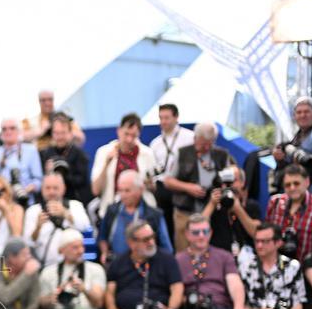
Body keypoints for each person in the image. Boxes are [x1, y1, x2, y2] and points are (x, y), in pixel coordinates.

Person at [164, 122, 236, 251]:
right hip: (185, 211)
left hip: (213, 213)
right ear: (195, 138)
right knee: (184, 251)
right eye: (203, 144)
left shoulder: (221, 155)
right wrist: (188, 187)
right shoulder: (183, 153)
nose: (206, 147)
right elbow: (168, 181)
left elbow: (229, 179)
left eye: (210, 143)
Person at [97, 170, 172, 265]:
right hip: (115, 264)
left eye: (127, 190)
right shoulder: (112, 210)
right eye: (120, 190)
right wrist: (105, 252)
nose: (123, 195)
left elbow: (166, 248)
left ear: (140, 190)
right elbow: (102, 237)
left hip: (146, 264)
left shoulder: (154, 215)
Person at [91, 113, 156, 216]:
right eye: (126, 134)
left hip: (142, 214)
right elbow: (96, 190)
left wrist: (149, 184)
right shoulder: (103, 152)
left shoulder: (147, 154)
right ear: (119, 130)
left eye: (133, 136)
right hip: (111, 213)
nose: (129, 139)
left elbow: (154, 188)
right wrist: (107, 163)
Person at [272, 96, 312, 199]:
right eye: (299, 112)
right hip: (292, 187)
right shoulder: (297, 132)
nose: (303, 115)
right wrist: (279, 155)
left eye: (307, 112)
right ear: (294, 115)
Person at [264, 164, 312, 262]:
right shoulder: (275, 203)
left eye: (296, 183)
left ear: (307, 182)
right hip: (276, 266)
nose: (292, 188)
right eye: (287, 185)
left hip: (306, 269)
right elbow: (265, 234)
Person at [23, 172, 90, 266]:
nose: (51, 192)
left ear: (63, 189)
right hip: (45, 266)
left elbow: (85, 226)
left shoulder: (75, 205)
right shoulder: (33, 211)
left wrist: (65, 214)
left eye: (55, 188)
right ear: (42, 190)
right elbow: (29, 242)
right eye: (48, 188)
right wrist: (38, 227)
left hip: (74, 264)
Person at [149, 103, 194, 232]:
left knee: (185, 226)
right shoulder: (155, 143)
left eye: (167, 117)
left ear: (176, 117)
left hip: (183, 187)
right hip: (162, 189)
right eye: (160, 118)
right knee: (166, 226)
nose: (163, 121)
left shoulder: (189, 137)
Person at [0, 118, 42, 204]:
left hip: (23, 200)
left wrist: (24, 190)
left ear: (19, 131)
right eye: (4, 129)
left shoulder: (30, 150)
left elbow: (38, 180)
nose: (8, 132)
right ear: (0, 134)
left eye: (12, 128)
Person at [40, 112, 91, 205]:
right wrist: (48, 173)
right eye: (56, 133)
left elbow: (82, 181)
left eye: (63, 133)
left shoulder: (79, 154)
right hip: (51, 201)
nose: (59, 137)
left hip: (75, 201)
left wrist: (63, 173)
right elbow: (41, 182)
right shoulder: (46, 153)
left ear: (71, 133)